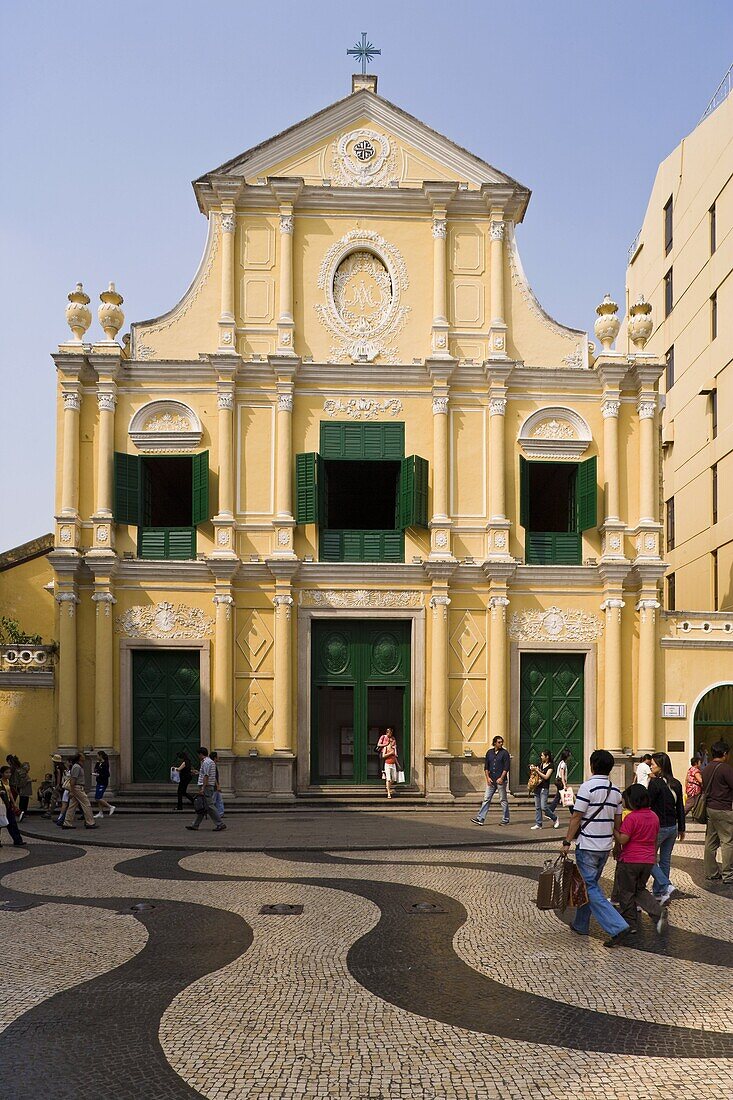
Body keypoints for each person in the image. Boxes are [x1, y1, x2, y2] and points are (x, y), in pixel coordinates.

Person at [561, 749, 630, 947]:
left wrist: (567, 841)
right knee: (588, 885)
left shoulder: (587, 787)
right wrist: (617, 845)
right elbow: (618, 822)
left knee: (590, 887)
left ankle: (617, 926)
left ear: (592, 765)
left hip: (588, 845)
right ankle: (581, 924)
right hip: (605, 846)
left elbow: (576, 817)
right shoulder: (616, 790)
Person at [612, 784, 670, 937]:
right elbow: (655, 838)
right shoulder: (654, 816)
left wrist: (614, 831)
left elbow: (623, 839)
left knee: (626, 892)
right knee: (639, 889)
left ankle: (630, 924)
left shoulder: (631, 818)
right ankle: (658, 911)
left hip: (630, 860)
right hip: (647, 860)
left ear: (632, 800)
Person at [647, 752, 685, 901]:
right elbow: (680, 807)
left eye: (653, 764)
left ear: (661, 766)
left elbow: (647, 805)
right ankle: (659, 893)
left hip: (658, 828)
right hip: (672, 827)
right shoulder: (676, 783)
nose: (651, 766)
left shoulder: (655, 783)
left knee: (648, 859)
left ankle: (665, 886)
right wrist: (681, 827)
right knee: (665, 860)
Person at [701, 740, 733, 885]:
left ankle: (711, 872)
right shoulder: (726, 769)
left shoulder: (706, 769)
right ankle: (728, 874)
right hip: (724, 809)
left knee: (711, 841)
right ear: (725, 754)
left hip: (710, 808)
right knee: (727, 841)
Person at [471, 735, 511, 826]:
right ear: (494, 743)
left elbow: (506, 767)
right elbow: (486, 767)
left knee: (503, 800)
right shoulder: (489, 753)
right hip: (491, 781)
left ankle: (505, 819)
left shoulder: (505, 753)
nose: (501, 744)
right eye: (499, 742)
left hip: (501, 781)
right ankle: (480, 818)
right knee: (486, 799)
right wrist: (487, 778)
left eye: (501, 742)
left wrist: (501, 778)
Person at [186, 747, 226, 831]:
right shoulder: (208, 762)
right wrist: (198, 773)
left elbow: (206, 776)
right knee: (202, 806)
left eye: (198, 755)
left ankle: (220, 823)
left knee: (210, 806)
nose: (198, 756)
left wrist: (203, 788)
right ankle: (195, 825)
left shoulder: (207, 762)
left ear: (201, 754)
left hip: (206, 787)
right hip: (206, 786)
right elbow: (205, 774)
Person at [61, 753, 97, 830]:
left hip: (76, 787)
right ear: (79, 758)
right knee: (86, 804)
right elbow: (73, 780)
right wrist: (72, 791)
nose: (84, 757)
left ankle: (67, 823)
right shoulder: (77, 767)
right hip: (77, 788)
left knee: (72, 806)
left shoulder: (77, 766)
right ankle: (90, 822)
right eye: (82, 756)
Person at [530, 750, 559, 830]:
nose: (541, 757)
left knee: (544, 807)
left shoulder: (551, 766)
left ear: (547, 757)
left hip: (544, 788)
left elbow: (546, 777)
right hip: (537, 787)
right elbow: (534, 772)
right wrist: (533, 768)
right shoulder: (540, 764)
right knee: (537, 807)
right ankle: (538, 824)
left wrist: (537, 771)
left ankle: (555, 818)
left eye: (542, 756)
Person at [0, 765, 25, 846]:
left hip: (8, 805)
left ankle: (18, 840)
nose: (9, 774)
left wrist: (14, 804)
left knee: (12, 822)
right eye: (6, 773)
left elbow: (10, 793)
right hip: (1, 805)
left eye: (9, 772)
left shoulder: (7, 781)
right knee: (0, 823)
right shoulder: (0, 782)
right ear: (2, 773)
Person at [92, 750, 116, 819]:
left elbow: (107, 774)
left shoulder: (105, 764)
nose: (96, 757)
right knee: (99, 797)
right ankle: (100, 812)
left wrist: (99, 775)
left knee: (97, 798)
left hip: (103, 782)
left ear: (101, 756)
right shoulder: (99, 763)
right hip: (99, 781)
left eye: (97, 755)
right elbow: (96, 770)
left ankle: (110, 806)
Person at [548, 748, 572, 817]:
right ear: (567, 756)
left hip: (559, 782)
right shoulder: (563, 764)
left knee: (558, 797)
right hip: (560, 783)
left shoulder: (561, 763)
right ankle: (573, 812)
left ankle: (550, 811)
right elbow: (562, 775)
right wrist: (564, 785)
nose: (570, 757)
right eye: (569, 756)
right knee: (565, 797)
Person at [380, 729, 399, 800]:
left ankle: (387, 787)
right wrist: (390, 753)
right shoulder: (385, 748)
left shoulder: (394, 749)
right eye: (391, 741)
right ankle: (388, 793)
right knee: (388, 779)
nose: (392, 742)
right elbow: (383, 756)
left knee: (393, 779)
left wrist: (398, 765)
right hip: (387, 764)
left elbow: (395, 757)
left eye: (393, 741)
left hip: (393, 764)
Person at [210, 751, 224, 818]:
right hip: (214, 786)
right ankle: (213, 814)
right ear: (215, 758)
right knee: (213, 801)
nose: (219, 757)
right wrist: (218, 786)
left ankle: (220, 813)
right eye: (217, 756)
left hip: (216, 786)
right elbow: (213, 776)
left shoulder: (214, 764)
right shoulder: (213, 765)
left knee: (219, 800)